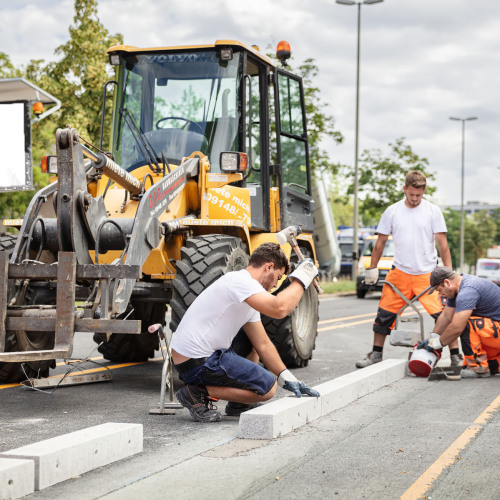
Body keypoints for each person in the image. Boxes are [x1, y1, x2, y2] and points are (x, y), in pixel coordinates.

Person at [170, 242, 320, 422]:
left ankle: (240, 403)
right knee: (268, 387)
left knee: (253, 343)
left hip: (197, 356)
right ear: (269, 267)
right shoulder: (241, 282)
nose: (275, 285)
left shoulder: (247, 292)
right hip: (196, 361)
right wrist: (303, 277)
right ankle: (196, 393)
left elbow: (263, 344)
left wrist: (287, 377)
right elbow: (280, 308)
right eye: (278, 278)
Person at [355, 170, 461, 368]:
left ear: (424, 191)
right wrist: (372, 269)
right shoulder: (392, 211)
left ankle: (455, 355)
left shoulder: (432, 211)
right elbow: (380, 243)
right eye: (411, 195)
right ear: (405, 189)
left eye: (418, 195)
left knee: (445, 315)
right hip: (400, 273)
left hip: (428, 276)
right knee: (383, 315)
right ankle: (376, 354)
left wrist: (449, 273)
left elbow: (442, 244)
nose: (414, 199)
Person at [418, 266, 500, 378]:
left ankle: (477, 368)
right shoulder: (459, 288)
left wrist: (437, 343)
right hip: (494, 332)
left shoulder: (467, 291)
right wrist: (433, 338)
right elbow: (446, 317)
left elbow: (457, 328)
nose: (440, 294)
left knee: (466, 323)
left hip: (496, 332)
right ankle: (491, 364)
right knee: (491, 364)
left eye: (439, 290)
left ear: (446, 283)